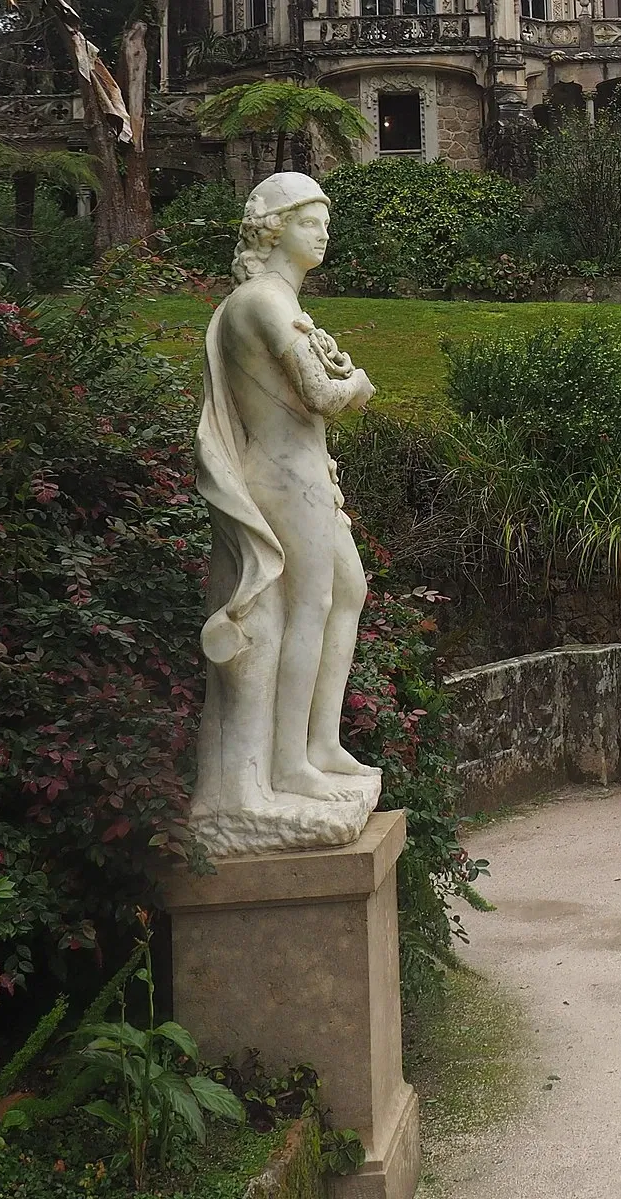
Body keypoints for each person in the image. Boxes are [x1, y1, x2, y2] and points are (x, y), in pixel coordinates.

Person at [190, 173, 381, 855]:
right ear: (272, 230)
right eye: (308, 221)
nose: (322, 233)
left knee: (347, 592)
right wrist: (356, 382)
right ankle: (290, 763)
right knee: (311, 603)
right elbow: (322, 396)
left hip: (305, 472)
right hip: (282, 473)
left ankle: (320, 743)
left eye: (324, 220)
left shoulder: (279, 302)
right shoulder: (263, 302)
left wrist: (334, 373)